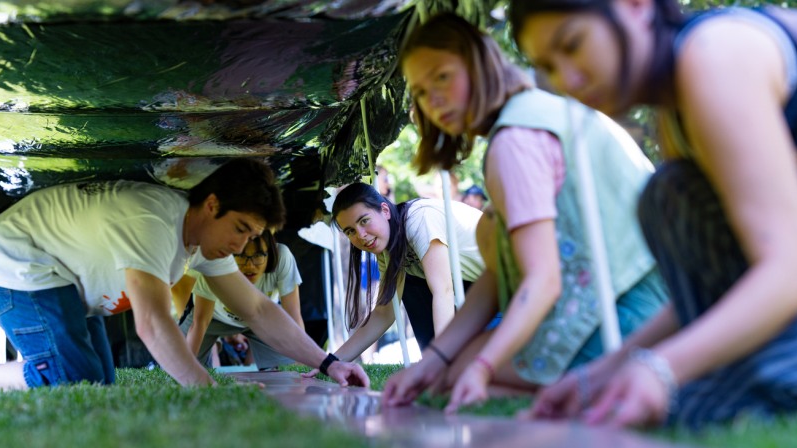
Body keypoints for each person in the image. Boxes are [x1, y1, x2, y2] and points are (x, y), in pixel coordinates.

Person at [510, 0, 797, 428]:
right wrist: (604, 372)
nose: (570, 80)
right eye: (549, 67)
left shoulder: (715, 55)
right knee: (668, 197)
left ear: (635, 6)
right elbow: (737, 285)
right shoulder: (674, 114)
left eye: (573, 45)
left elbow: (788, 275)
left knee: (723, 383)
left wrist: (662, 370)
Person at [381, 13, 666, 413]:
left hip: (624, 316)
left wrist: (480, 367)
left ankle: (593, 391)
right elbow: (499, 276)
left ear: (480, 63)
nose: (434, 100)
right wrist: (434, 359)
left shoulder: (515, 139)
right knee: (442, 376)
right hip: (641, 301)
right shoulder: (531, 114)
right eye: (422, 92)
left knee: (448, 386)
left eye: (442, 77)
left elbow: (543, 280)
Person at [0, 158, 369, 393]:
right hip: (11, 263)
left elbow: (258, 309)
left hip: (60, 277)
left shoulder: (204, 239)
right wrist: (205, 389)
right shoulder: (155, 220)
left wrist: (330, 364)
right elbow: (152, 324)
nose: (242, 245)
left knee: (96, 385)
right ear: (212, 206)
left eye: (252, 236)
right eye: (241, 229)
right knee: (72, 382)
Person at [325, 182, 485, 364]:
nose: (361, 235)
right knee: (407, 281)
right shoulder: (387, 246)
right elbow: (384, 312)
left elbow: (444, 291)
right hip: (475, 287)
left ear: (385, 210)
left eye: (364, 221)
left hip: (508, 282)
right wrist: (331, 363)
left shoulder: (419, 219)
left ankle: (441, 360)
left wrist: (440, 361)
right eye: (350, 231)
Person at [179, 229, 305, 370]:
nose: (250, 265)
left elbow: (293, 316)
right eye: (241, 255)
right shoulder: (214, 261)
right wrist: (186, 369)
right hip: (214, 318)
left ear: (270, 252)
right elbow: (200, 323)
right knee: (176, 365)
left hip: (262, 317)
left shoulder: (283, 257)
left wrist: (303, 361)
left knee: (288, 370)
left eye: (258, 255)